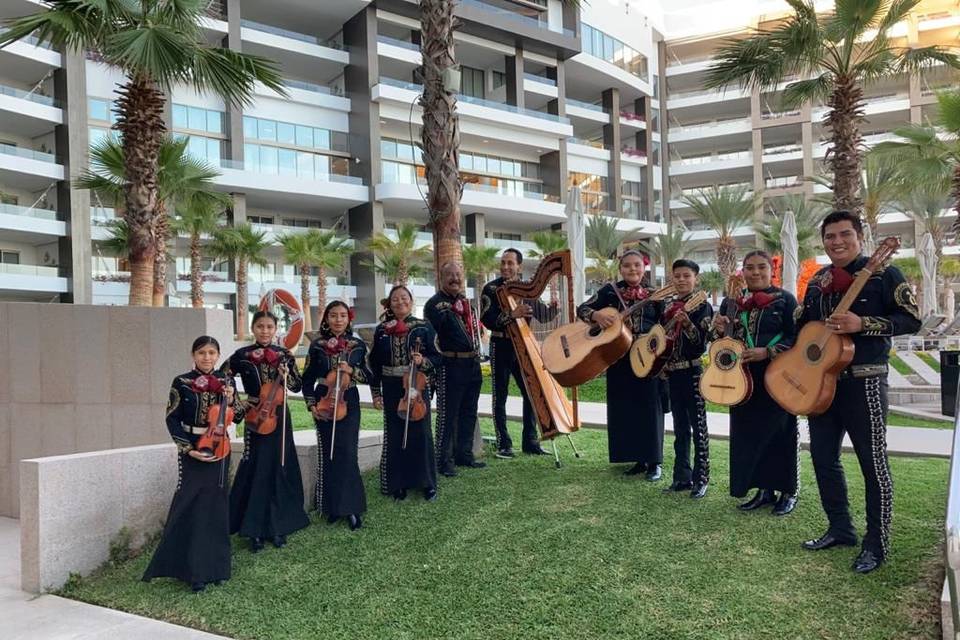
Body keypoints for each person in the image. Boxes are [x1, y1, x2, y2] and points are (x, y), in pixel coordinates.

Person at [797, 210, 921, 574]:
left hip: (864, 381)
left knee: (873, 463)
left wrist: (862, 324)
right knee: (823, 459)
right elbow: (804, 326)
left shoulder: (884, 273)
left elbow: (912, 319)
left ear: (860, 236)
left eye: (844, 235)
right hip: (821, 385)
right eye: (830, 236)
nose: (837, 242)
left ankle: (876, 542)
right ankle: (840, 529)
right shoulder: (818, 280)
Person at [143, 336, 243, 593]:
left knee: (217, 506)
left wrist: (232, 401)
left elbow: (240, 416)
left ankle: (217, 568)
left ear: (218, 356)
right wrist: (187, 449)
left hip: (220, 449)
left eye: (212, 353)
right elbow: (171, 419)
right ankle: (191, 569)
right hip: (193, 450)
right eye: (202, 353)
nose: (207, 358)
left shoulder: (227, 382)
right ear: (193, 355)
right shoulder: (182, 382)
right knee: (191, 504)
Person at [713, 251, 800, 516]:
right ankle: (763, 490)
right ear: (743, 272)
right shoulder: (733, 302)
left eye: (761, 267)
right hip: (743, 379)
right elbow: (720, 340)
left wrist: (768, 352)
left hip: (778, 376)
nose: (755, 272)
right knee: (750, 434)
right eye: (749, 268)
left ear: (771, 270)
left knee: (780, 433)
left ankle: (788, 491)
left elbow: (798, 336)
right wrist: (718, 328)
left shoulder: (785, 300)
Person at [222, 311, 309, 553]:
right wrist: (238, 405)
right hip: (255, 417)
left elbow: (296, 386)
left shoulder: (284, 355)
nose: (265, 330)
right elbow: (223, 378)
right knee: (257, 469)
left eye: (269, 326)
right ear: (253, 328)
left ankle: (277, 525)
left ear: (275, 329)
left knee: (278, 467)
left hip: (279, 417)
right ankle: (254, 531)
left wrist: (287, 374)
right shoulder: (242, 355)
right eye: (260, 326)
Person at [576, 250, 665, 480]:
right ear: (620, 268)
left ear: (644, 267)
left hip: (648, 359)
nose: (632, 269)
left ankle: (655, 461)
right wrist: (596, 316)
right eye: (627, 266)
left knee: (649, 409)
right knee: (626, 409)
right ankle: (636, 459)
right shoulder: (609, 291)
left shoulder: (656, 293)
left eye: (636, 265)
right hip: (618, 358)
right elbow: (582, 309)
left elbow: (665, 324)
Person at [302, 301, 373, 531]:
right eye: (333, 315)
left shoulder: (358, 345)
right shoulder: (317, 346)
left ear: (348, 319)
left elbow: (369, 376)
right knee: (328, 452)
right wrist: (311, 403)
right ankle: (331, 506)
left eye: (343, 315)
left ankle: (351, 508)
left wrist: (353, 371)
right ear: (326, 319)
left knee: (347, 452)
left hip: (348, 399)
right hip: (324, 398)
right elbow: (306, 379)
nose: (338, 320)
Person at [369, 285, 443, 501]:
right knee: (394, 433)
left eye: (404, 298)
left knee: (421, 433)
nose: (400, 302)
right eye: (395, 299)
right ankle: (397, 483)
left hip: (416, 385)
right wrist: (376, 392)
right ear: (389, 304)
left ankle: (427, 483)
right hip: (392, 387)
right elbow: (373, 363)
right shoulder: (381, 329)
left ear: (411, 301)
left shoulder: (424, 326)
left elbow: (438, 357)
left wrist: (424, 361)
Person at [479, 248, 555, 458]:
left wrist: (554, 307)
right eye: (503, 262)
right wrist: (511, 315)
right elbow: (487, 319)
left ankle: (530, 441)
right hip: (500, 345)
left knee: (530, 393)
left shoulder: (527, 289)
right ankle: (504, 444)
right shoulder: (490, 289)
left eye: (510, 263)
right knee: (500, 396)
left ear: (519, 266)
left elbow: (544, 316)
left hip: (522, 347)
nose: (505, 266)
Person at [425, 262, 485, 477]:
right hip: (450, 365)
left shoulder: (468, 304)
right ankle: (443, 460)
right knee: (447, 415)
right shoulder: (434, 304)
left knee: (469, 412)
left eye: (458, 274)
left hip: (472, 364)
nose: (455, 279)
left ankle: (464, 455)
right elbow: (435, 335)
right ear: (441, 277)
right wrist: (453, 312)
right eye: (449, 274)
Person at [662, 259, 714, 499]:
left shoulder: (702, 305)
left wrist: (688, 324)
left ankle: (701, 479)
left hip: (693, 372)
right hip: (672, 373)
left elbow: (700, 344)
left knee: (698, 427)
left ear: (696, 279)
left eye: (686, 275)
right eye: (677, 276)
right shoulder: (667, 307)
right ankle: (681, 477)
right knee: (680, 428)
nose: (681, 280)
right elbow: (661, 342)